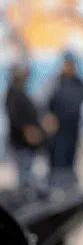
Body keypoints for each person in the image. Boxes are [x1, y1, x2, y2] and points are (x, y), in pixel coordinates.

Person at [5, 63, 48, 198]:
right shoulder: (13, 94)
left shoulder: (20, 92)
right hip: (21, 143)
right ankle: (25, 200)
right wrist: (27, 130)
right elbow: (16, 118)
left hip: (27, 143)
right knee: (25, 174)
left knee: (30, 172)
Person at [47, 51, 83, 184]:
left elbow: (76, 104)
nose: (69, 67)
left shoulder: (80, 83)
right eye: (67, 64)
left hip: (72, 127)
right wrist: (49, 117)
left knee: (70, 158)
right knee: (57, 161)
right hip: (57, 129)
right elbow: (46, 103)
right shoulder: (55, 82)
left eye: (71, 64)